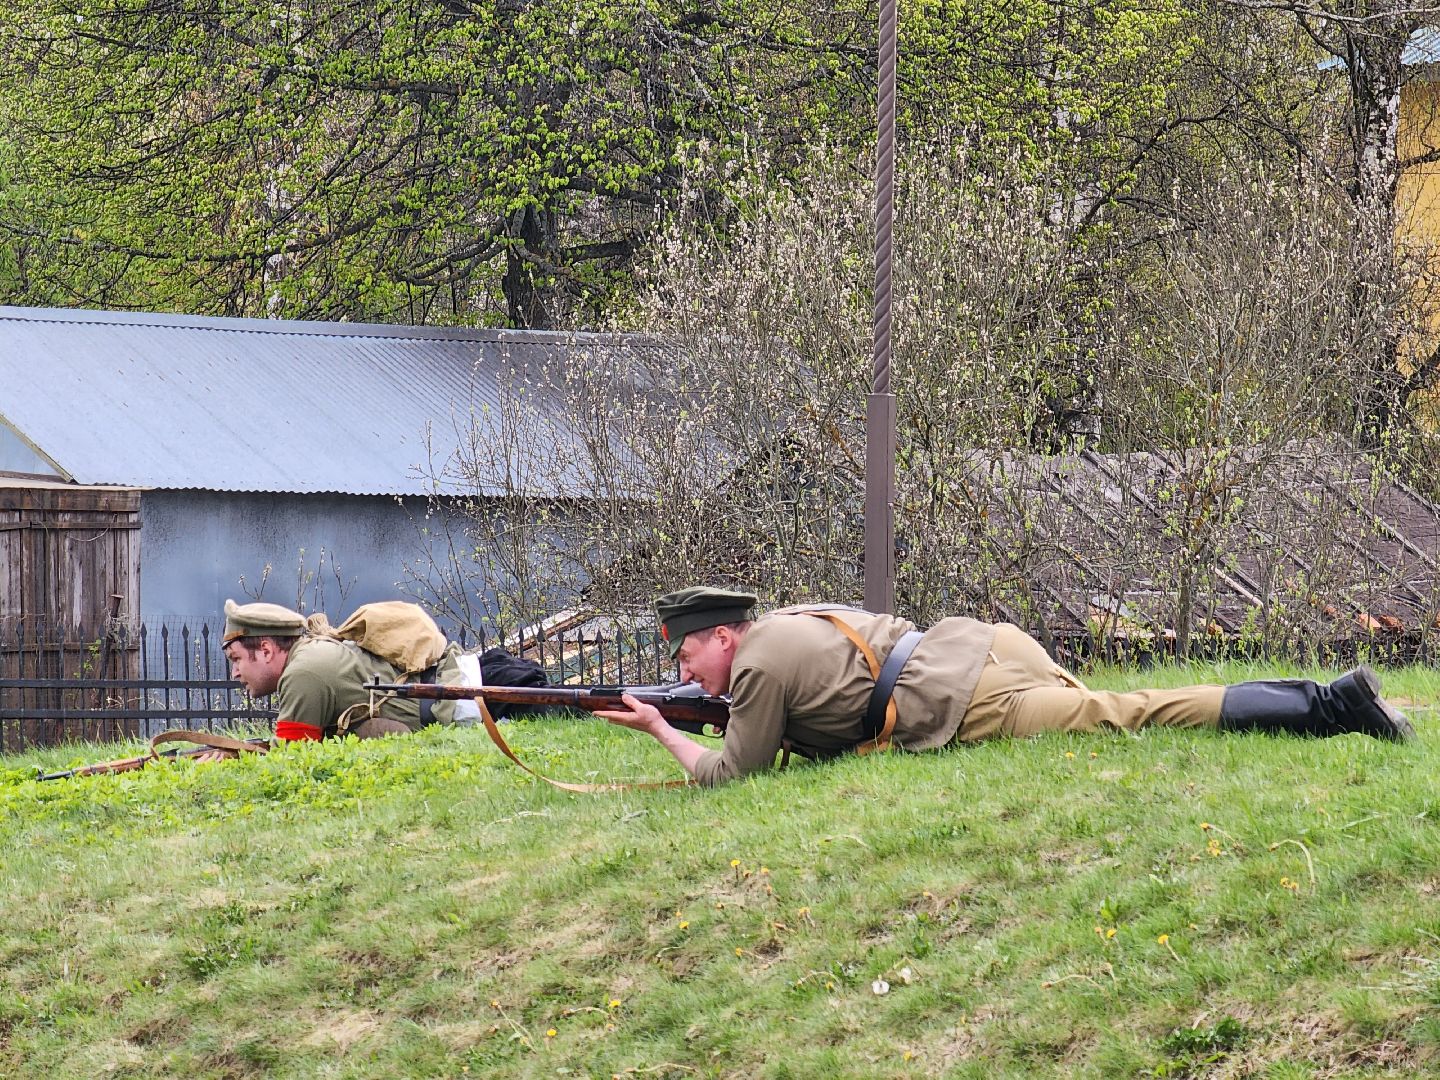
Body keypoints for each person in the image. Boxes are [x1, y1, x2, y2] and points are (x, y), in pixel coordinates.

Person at [595, 587, 1415, 787]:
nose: (686, 675)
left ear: (723, 637)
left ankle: (1328, 705)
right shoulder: (789, 624)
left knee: (1131, 715)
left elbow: (735, 774)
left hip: (965, 698)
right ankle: (1358, 702)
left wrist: (663, 731)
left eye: (688, 658)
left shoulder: (758, 665)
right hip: (987, 645)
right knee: (1127, 714)